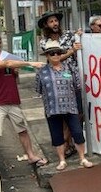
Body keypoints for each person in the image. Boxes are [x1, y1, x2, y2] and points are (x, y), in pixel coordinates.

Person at [0, 28, 48, 170]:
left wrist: (16, 73)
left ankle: (31, 156)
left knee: (22, 130)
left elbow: (12, 76)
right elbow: (5, 65)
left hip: (13, 100)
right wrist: (31, 63)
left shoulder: (5, 56)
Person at [36, 40, 93, 171]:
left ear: (61, 53)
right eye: (51, 53)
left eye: (57, 52)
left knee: (77, 132)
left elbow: (78, 85)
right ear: (47, 56)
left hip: (70, 106)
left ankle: (82, 158)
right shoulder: (41, 72)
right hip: (52, 108)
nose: (55, 55)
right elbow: (39, 89)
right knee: (57, 135)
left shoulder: (70, 68)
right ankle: (62, 160)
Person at [38, 11, 82, 157]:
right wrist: (71, 51)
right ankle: (66, 144)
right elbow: (56, 58)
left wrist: (80, 35)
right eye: (51, 22)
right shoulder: (44, 42)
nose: (55, 24)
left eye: (56, 21)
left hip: (72, 79)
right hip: (56, 82)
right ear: (45, 25)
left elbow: (79, 40)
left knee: (77, 113)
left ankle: (69, 141)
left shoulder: (69, 36)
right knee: (62, 114)